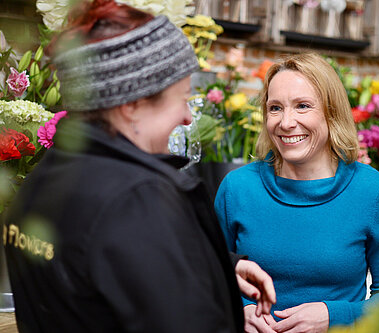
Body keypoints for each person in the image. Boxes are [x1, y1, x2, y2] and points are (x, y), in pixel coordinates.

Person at [3, 1, 275, 332]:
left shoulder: (42, 180)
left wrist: (213, 267)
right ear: (133, 104)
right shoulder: (136, 199)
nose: (188, 116)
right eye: (183, 98)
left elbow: (104, 267)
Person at [215, 53, 379, 333]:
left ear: (331, 113)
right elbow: (208, 275)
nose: (286, 122)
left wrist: (333, 315)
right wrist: (241, 310)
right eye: (275, 108)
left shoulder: (375, 193)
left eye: (302, 106)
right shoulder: (237, 188)